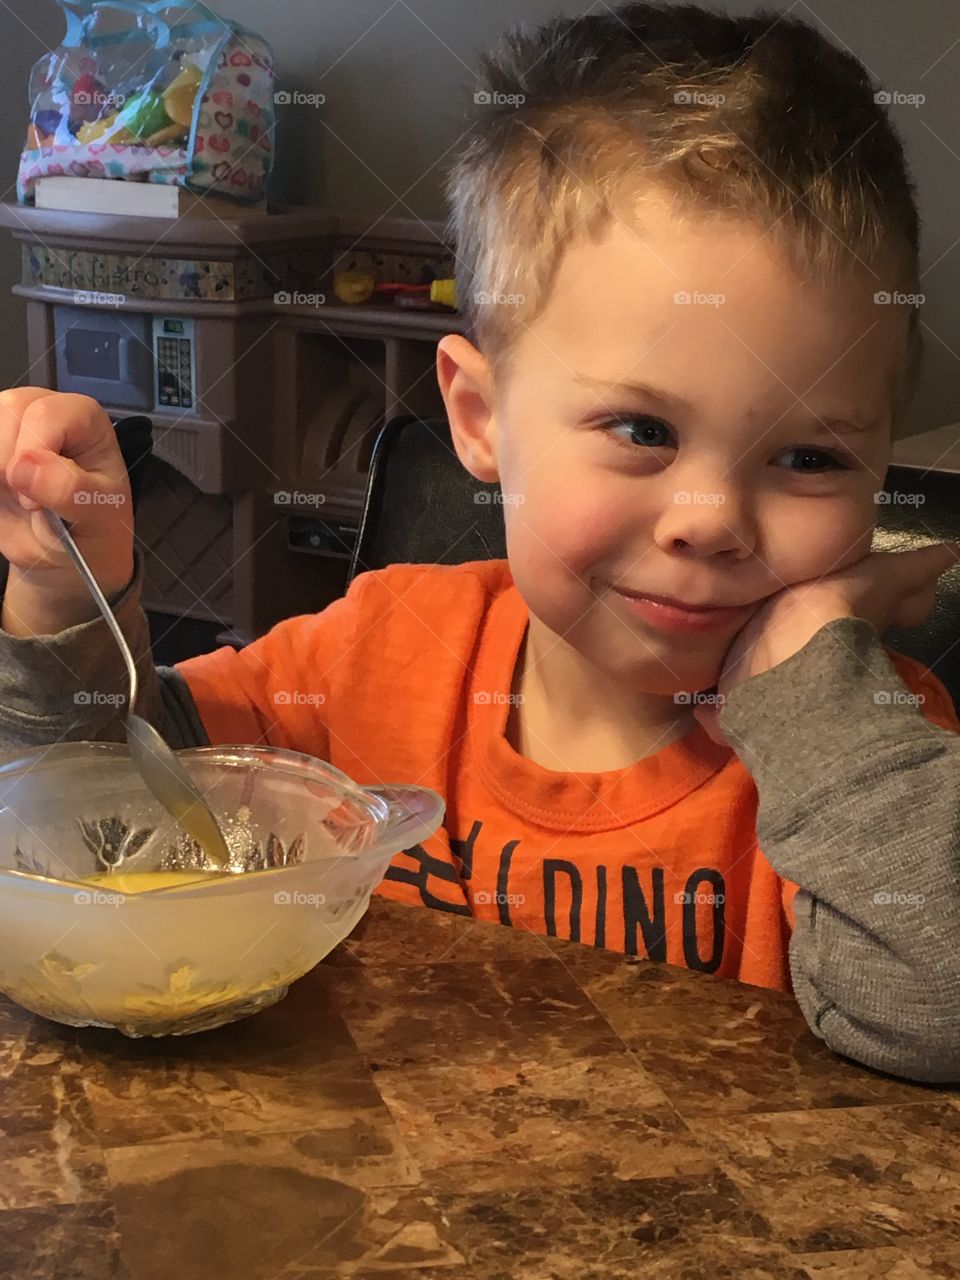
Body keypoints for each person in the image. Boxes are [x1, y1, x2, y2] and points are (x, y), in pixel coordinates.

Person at [1, 2, 959, 1083]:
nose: (713, 520)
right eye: (642, 429)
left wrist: (812, 689)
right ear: (480, 418)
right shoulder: (377, 655)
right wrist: (63, 601)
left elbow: (938, 1017)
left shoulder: (868, 744)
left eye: (809, 458)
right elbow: (103, 807)